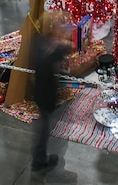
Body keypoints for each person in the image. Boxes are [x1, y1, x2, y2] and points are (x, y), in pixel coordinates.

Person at [31, 13, 71, 172]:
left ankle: (40, 158)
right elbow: (55, 55)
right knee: (44, 129)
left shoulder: (40, 42)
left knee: (44, 127)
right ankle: (39, 160)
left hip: (42, 92)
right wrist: (63, 47)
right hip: (45, 94)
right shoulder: (46, 51)